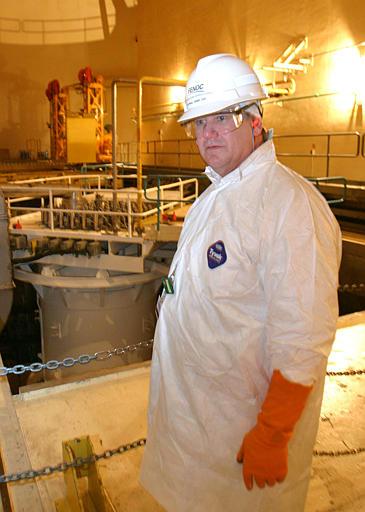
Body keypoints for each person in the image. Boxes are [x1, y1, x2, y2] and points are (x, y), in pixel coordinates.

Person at [140, 53, 342, 512]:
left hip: (241, 446)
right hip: (194, 434)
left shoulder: (289, 207)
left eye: (221, 118)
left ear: (255, 120)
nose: (207, 134)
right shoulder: (216, 195)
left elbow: (303, 339)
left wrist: (272, 434)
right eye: (198, 123)